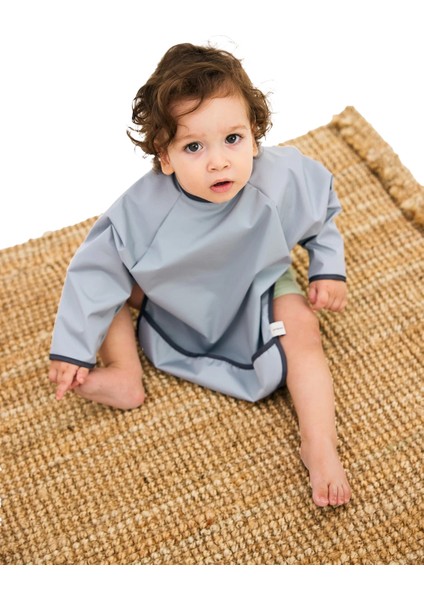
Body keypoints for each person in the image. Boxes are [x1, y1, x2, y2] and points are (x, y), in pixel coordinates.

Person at [49, 43, 352, 507]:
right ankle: (124, 371)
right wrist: (73, 344)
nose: (218, 161)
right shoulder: (144, 208)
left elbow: (322, 208)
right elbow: (95, 269)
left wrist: (327, 268)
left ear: (254, 135)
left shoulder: (279, 176)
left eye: (233, 139)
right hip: (177, 295)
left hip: (259, 281)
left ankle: (319, 443)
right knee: (108, 286)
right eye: (194, 146)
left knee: (304, 331)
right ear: (165, 156)